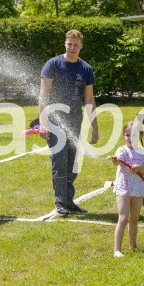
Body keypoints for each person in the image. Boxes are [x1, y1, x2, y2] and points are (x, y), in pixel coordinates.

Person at [39, 29, 100, 215]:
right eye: (69, 44)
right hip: (54, 120)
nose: (72, 47)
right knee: (60, 159)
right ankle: (61, 203)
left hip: (75, 120)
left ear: (81, 46)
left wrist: (95, 127)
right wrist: (43, 122)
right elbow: (43, 95)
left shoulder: (86, 69)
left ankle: (69, 201)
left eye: (76, 44)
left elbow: (89, 100)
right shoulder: (53, 65)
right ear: (65, 44)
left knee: (73, 162)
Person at [110, 121, 144, 257]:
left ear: (140, 136)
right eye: (127, 135)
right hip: (124, 189)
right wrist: (115, 160)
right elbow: (118, 161)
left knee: (134, 219)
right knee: (123, 218)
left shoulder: (142, 152)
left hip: (138, 190)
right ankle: (117, 250)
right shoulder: (122, 150)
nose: (129, 138)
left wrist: (140, 168)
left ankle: (133, 245)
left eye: (133, 135)